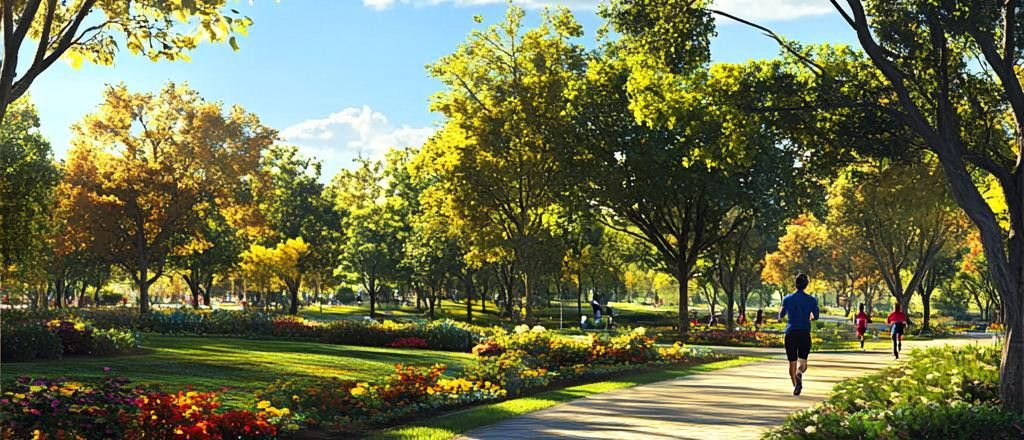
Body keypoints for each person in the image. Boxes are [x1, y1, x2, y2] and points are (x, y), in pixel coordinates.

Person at [778, 273, 820, 396]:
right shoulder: (812, 300)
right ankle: (799, 374)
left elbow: (780, 315)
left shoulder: (787, 299)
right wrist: (808, 317)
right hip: (804, 333)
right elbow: (815, 316)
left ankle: (796, 386)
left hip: (790, 333)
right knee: (803, 363)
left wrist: (781, 317)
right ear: (806, 285)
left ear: (795, 284)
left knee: (792, 362)